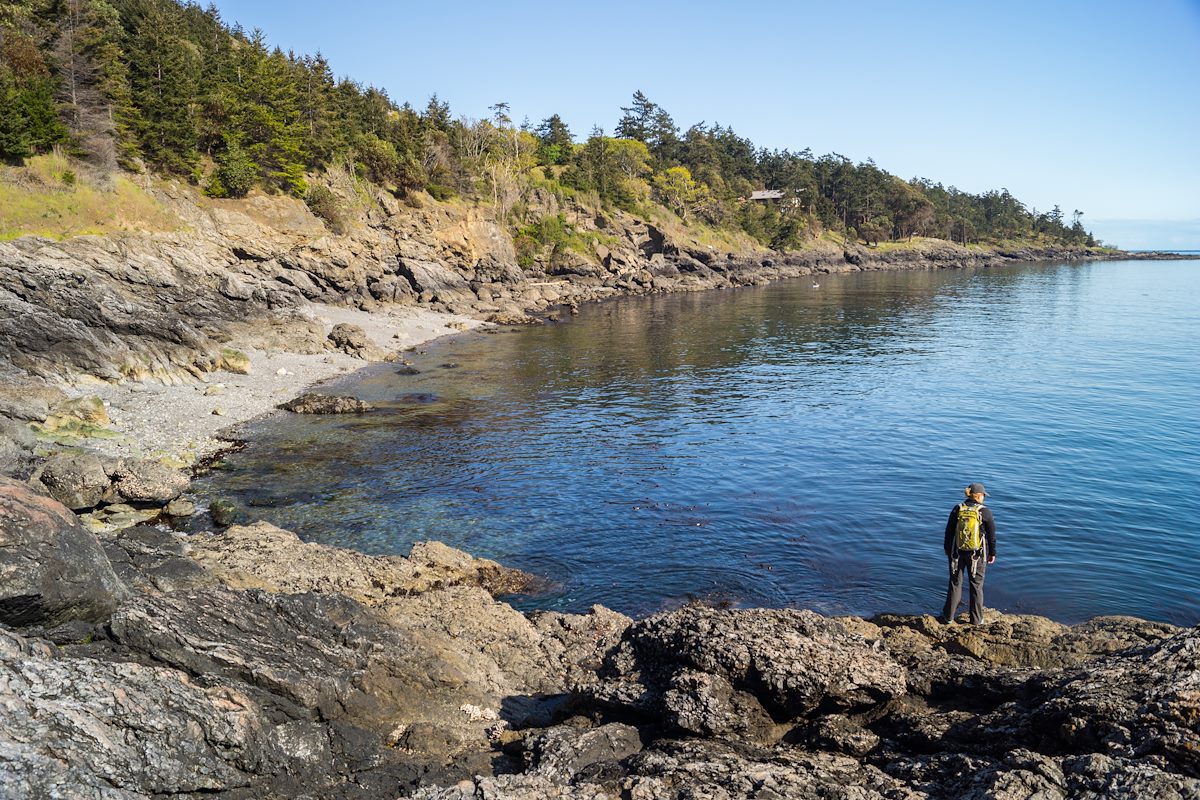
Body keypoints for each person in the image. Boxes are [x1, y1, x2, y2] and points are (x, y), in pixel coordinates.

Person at [940, 482, 996, 625]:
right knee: (976, 585)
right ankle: (976, 620)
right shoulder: (985, 512)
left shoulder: (957, 509)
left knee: (955, 583)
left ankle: (948, 617)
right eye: (983, 495)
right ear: (978, 496)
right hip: (977, 555)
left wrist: (947, 548)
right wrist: (992, 553)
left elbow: (949, 531)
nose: (984, 498)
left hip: (956, 553)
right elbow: (991, 536)